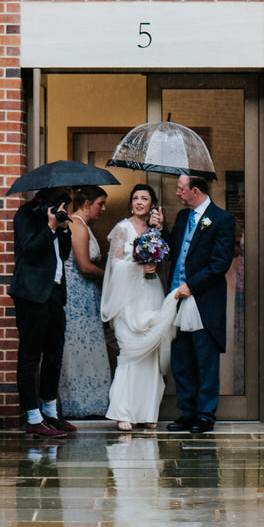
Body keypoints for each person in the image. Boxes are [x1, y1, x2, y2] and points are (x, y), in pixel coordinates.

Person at [100, 182, 179, 430]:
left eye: (144, 198)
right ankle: (123, 413)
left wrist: (160, 230)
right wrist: (137, 264)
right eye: (135, 198)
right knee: (129, 354)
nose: (139, 202)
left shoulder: (154, 231)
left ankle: (147, 413)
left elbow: (168, 255)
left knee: (150, 355)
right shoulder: (121, 229)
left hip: (151, 292)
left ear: (152, 204)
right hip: (128, 298)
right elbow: (113, 266)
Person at [167, 172, 237, 435]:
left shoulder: (222, 219)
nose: (177, 193)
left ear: (195, 191)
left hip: (202, 299)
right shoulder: (183, 217)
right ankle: (187, 412)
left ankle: (206, 415)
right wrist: (160, 228)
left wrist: (192, 285)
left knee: (205, 359)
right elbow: (175, 251)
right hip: (177, 297)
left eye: (181, 189)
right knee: (182, 359)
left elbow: (220, 263)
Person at [8, 187, 78, 438]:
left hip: (54, 295)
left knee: (53, 354)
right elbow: (29, 252)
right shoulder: (25, 214)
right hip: (31, 295)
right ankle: (33, 417)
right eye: (62, 197)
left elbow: (65, 253)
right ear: (46, 195)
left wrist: (63, 227)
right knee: (30, 356)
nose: (65, 202)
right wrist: (49, 226)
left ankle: (50, 411)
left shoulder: (59, 218)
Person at [57, 185, 112, 417]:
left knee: (87, 346)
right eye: (100, 203)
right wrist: (111, 275)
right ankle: (78, 403)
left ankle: (91, 402)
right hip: (77, 297)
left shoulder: (84, 227)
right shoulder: (77, 225)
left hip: (87, 295)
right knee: (78, 346)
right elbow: (84, 267)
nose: (103, 208)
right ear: (87, 203)